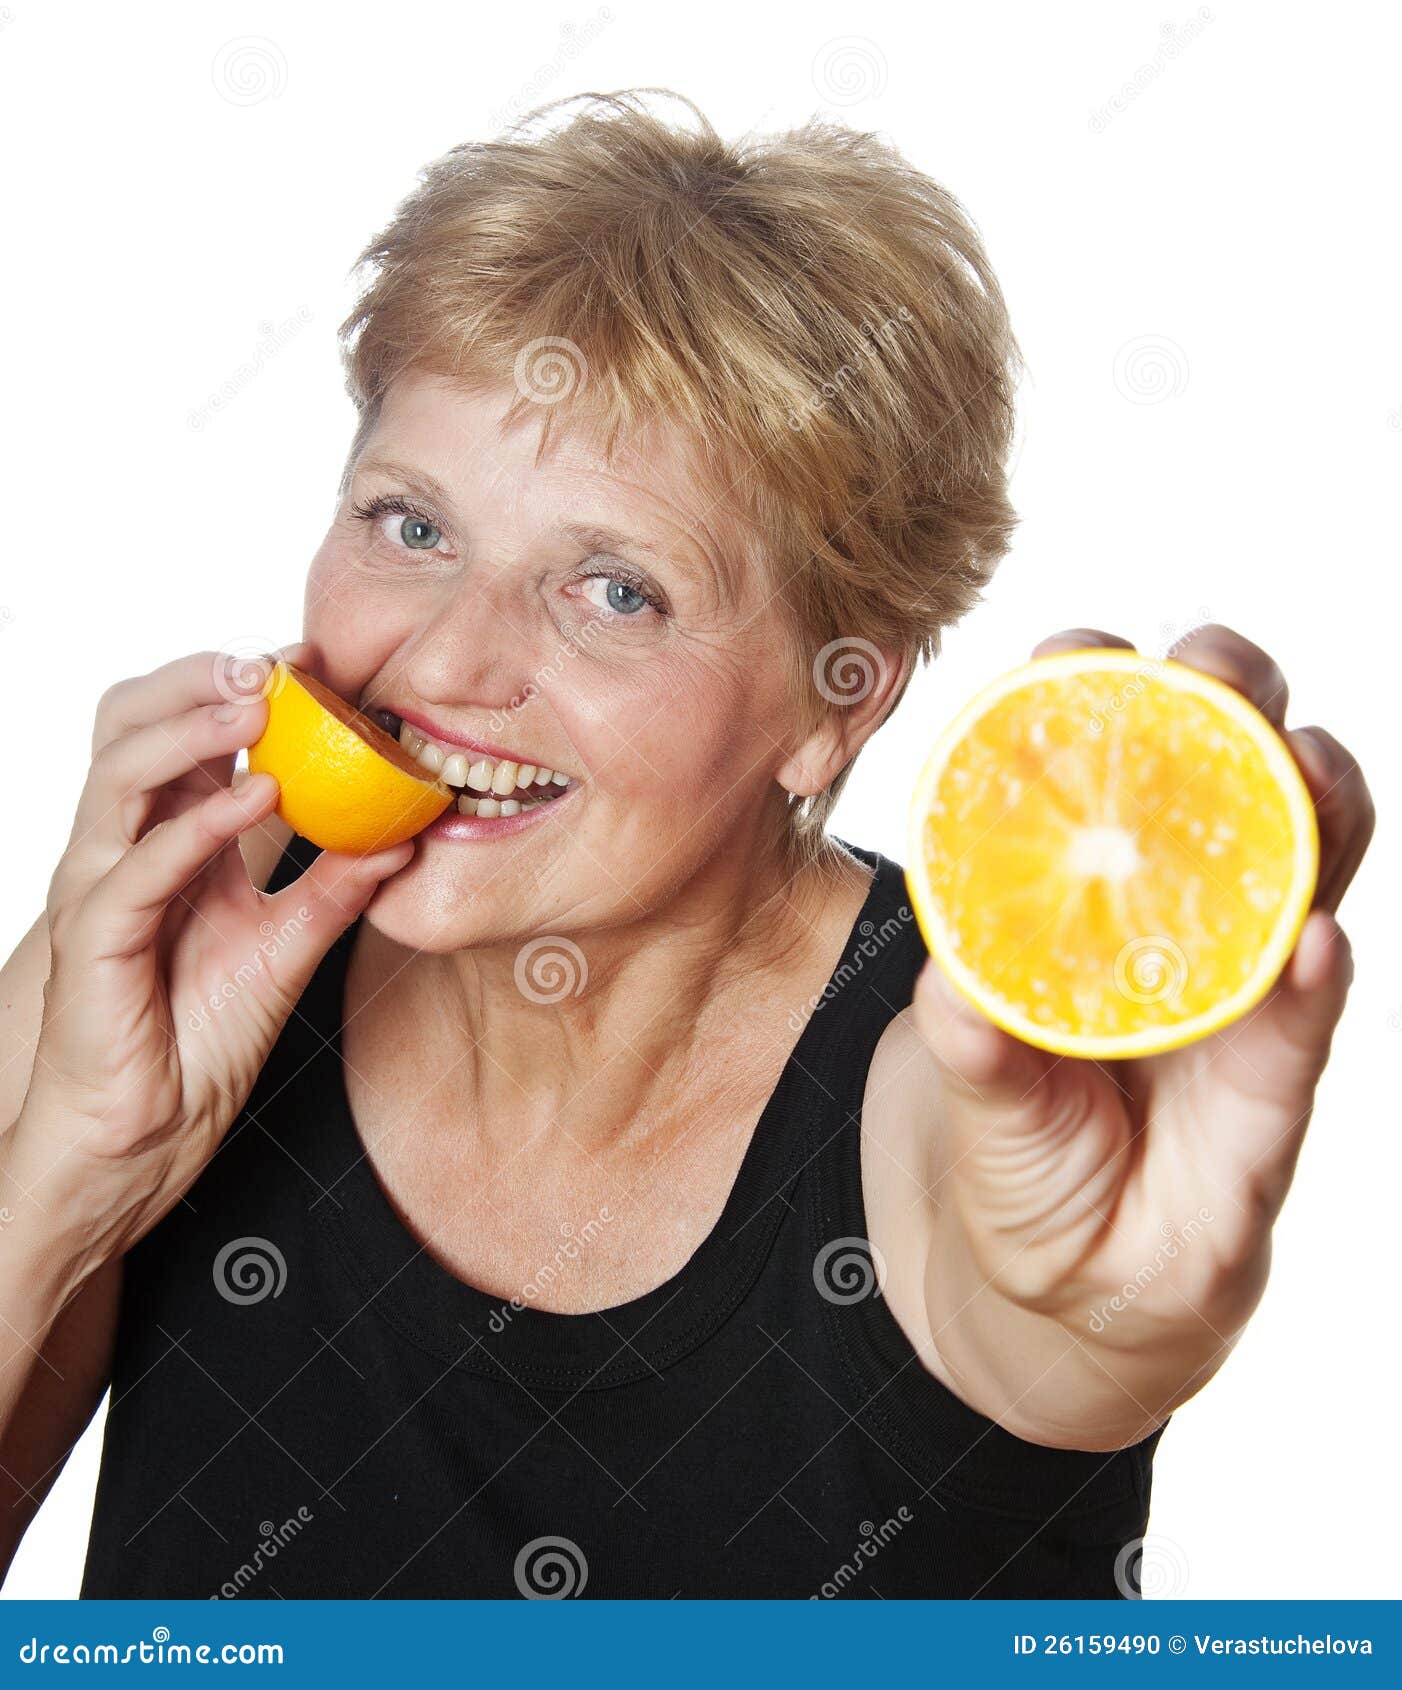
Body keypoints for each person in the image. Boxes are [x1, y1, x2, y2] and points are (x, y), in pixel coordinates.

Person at [0, 91, 1372, 1599]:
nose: (447, 661)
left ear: (830, 713)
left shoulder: (957, 1053)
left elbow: (1027, 1296)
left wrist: (1101, 1312)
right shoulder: (188, 936)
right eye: (411, 525)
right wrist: (70, 1169)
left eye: (614, 591)